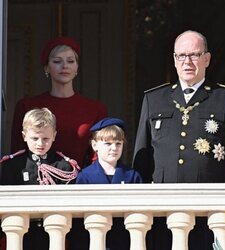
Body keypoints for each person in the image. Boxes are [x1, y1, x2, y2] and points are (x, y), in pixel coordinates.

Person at [133, 30, 225, 250]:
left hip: (211, 210)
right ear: (174, 60)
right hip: (162, 212)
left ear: (207, 59)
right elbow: (143, 159)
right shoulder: (154, 99)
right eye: (181, 56)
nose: (187, 62)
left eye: (194, 55)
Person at [11, 36, 107, 167]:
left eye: (71, 61)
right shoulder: (27, 106)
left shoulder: (95, 109)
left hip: (83, 182)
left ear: (77, 67)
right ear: (46, 68)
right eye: (57, 61)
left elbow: (100, 154)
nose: (65, 66)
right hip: (36, 182)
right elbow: (18, 154)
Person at [0, 107, 80, 249]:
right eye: (35, 138)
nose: (40, 144)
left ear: (54, 136)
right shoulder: (13, 165)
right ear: (24, 136)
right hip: (22, 234)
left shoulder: (64, 167)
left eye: (46, 139)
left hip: (53, 233)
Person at [76, 117, 142, 250]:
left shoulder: (132, 176)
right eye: (108, 143)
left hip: (124, 240)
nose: (114, 148)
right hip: (94, 240)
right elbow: (78, 219)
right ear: (95, 145)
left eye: (118, 143)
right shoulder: (85, 176)